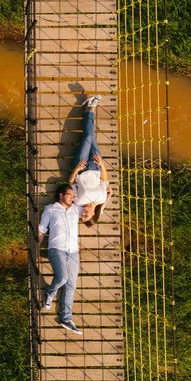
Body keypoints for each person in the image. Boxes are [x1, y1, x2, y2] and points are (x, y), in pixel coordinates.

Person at [37, 182, 93, 335]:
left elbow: (91, 214)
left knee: (71, 286)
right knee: (62, 277)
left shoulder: (76, 209)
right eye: (70, 195)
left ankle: (66, 319)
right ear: (61, 195)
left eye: (74, 196)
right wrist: (36, 249)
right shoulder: (50, 209)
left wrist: (102, 199)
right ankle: (50, 293)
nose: (73, 198)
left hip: (73, 252)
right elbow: (42, 230)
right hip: (56, 249)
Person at [70, 94, 111, 227]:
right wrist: (102, 164)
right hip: (95, 166)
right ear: (93, 215)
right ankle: (89, 107)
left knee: (88, 136)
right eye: (85, 216)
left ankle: (91, 107)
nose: (83, 214)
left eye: (82, 216)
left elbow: (71, 182)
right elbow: (104, 181)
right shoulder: (102, 199)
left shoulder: (78, 201)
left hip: (81, 166)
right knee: (91, 136)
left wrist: (77, 169)